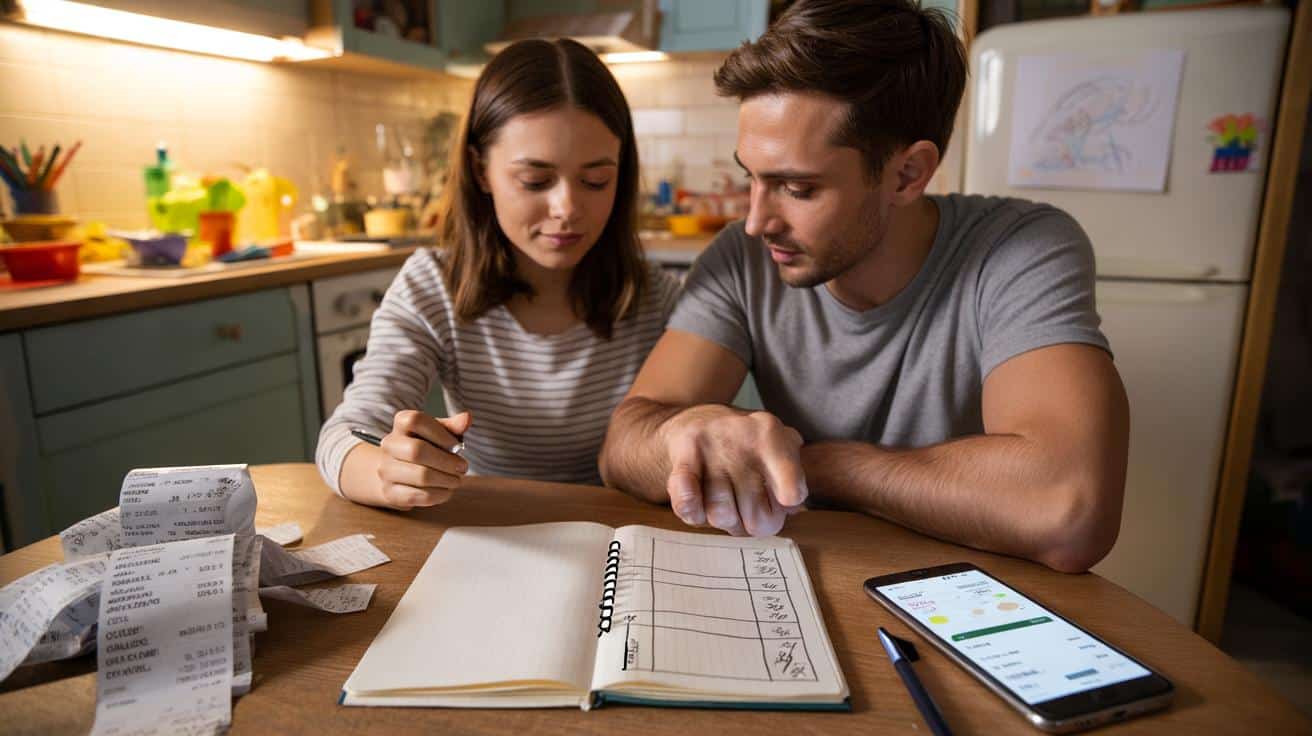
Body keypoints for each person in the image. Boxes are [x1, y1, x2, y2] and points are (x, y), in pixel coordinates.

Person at [599, 0, 1129, 573]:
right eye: (751, 177)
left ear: (907, 174)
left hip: (964, 590)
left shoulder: (1021, 247)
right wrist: (685, 431)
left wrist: (823, 465)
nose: (756, 221)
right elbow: (623, 448)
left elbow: (1071, 509)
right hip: (807, 574)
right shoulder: (741, 258)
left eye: (797, 188)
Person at [317, 39, 681, 510]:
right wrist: (387, 472)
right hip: (494, 534)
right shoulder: (434, 287)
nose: (567, 208)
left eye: (596, 180)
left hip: (624, 537)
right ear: (480, 169)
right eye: (535, 181)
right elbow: (343, 437)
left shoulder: (660, 301)